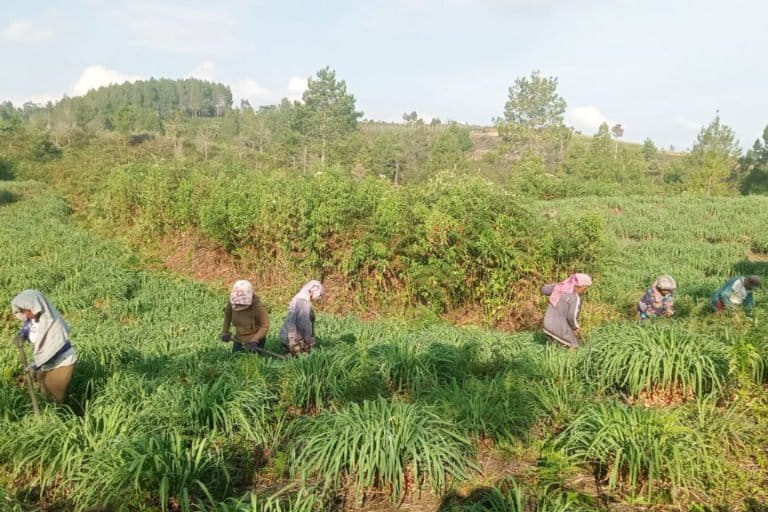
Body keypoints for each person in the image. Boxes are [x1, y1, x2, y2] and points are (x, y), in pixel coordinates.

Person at [11, 290, 77, 403]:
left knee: (54, 399)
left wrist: (34, 366)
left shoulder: (51, 324)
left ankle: (59, 419)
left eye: (27, 310)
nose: (27, 314)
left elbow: (53, 351)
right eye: (23, 311)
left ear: (35, 306)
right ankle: (45, 419)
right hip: (44, 364)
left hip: (60, 363)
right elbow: (28, 328)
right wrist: (22, 335)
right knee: (44, 398)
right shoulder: (32, 320)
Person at [541, 273, 592, 348]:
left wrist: (557, 286)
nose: (584, 291)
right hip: (559, 330)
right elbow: (571, 317)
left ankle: (553, 357)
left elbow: (544, 289)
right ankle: (571, 358)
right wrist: (575, 327)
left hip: (547, 326)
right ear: (579, 286)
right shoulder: (575, 297)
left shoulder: (559, 288)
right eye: (585, 288)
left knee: (555, 347)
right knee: (574, 346)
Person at [220, 280, 270, 353]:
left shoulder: (258, 307)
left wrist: (255, 340)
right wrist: (225, 332)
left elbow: (265, 325)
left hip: (254, 340)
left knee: (253, 361)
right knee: (235, 358)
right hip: (239, 338)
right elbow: (228, 317)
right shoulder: (232, 302)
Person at [280, 280, 323, 355]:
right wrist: (308, 341)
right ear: (314, 290)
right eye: (319, 294)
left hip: (287, 337)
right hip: (293, 340)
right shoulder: (303, 302)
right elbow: (305, 325)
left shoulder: (299, 298)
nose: (319, 298)